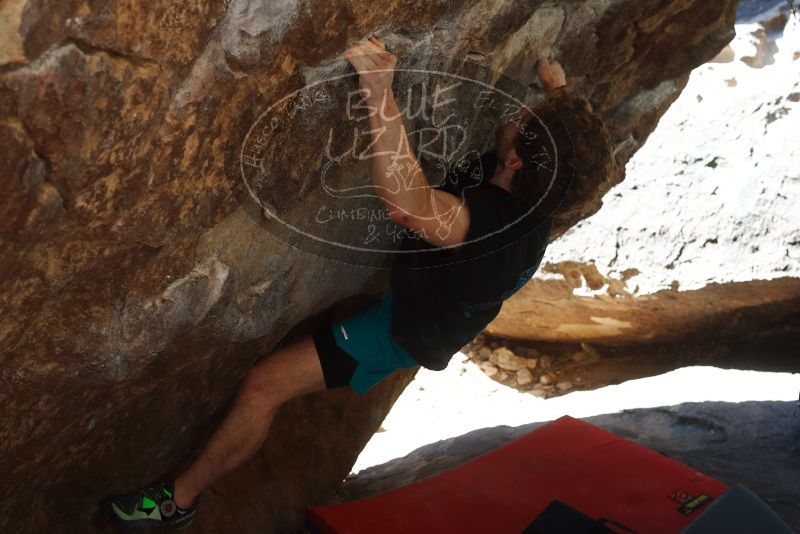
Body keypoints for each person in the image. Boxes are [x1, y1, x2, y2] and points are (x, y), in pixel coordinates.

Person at [104, 37, 574, 529]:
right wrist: (557, 91)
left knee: (264, 386)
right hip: (438, 301)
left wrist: (377, 88)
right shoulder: (543, 185)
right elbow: (563, 144)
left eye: (524, 123)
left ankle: (177, 504)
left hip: (400, 330)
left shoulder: (490, 229)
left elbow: (407, 203)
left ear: (516, 160)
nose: (517, 114)